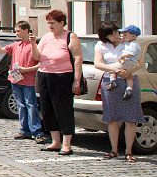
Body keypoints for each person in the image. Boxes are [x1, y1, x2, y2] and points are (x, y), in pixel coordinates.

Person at [31, 9, 83, 155]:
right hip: (44, 74)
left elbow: (78, 59)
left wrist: (76, 81)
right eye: (48, 23)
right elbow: (37, 57)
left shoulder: (70, 37)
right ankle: (55, 141)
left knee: (63, 109)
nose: (50, 26)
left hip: (62, 77)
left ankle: (67, 144)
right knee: (47, 109)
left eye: (52, 23)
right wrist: (33, 44)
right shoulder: (47, 37)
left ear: (61, 23)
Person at [93, 23, 145, 162]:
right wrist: (114, 70)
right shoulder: (100, 45)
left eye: (116, 32)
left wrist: (129, 71)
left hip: (128, 80)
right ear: (105, 37)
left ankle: (128, 151)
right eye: (111, 34)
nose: (116, 35)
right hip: (110, 81)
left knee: (130, 118)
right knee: (112, 118)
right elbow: (97, 63)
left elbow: (140, 62)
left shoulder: (128, 42)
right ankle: (113, 150)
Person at [0, 22, 43, 141]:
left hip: (28, 80)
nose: (16, 33)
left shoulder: (33, 45)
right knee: (21, 105)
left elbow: (40, 63)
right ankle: (25, 130)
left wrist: (26, 70)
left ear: (26, 30)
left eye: (18, 31)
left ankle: (37, 131)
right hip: (16, 79)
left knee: (31, 105)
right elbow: (0, 50)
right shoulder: (15, 45)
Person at [106, 25, 141, 101]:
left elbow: (132, 53)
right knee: (129, 75)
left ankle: (113, 81)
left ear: (133, 35)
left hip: (129, 62)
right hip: (130, 63)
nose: (122, 36)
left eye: (125, 35)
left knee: (112, 67)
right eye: (122, 34)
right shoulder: (129, 42)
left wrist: (122, 56)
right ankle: (129, 89)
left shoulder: (134, 44)